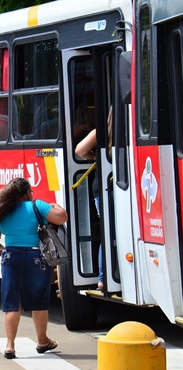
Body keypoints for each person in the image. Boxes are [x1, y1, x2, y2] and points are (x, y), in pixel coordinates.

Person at [0, 177, 67, 359]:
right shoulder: (37, 206)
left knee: (12, 303)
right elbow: (62, 218)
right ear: (28, 192)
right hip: (35, 256)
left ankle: (9, 346)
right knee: (39, 302)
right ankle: (42, 341)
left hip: (11, 256)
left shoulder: (3, 211)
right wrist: (55, 205)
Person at [74, 107, 112, 290]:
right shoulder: (127, 129)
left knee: (108, 233)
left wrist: (96, 156)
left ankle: (103, 279)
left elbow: (80, 150)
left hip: (103, 187)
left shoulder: (102, 131)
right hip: (117, 186)